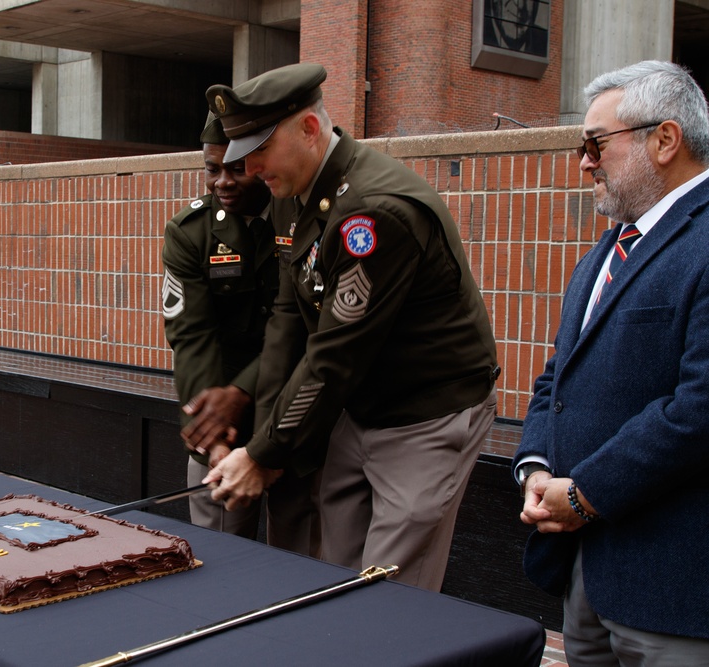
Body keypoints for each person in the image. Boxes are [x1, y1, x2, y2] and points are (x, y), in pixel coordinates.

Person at [202, 63, 499, 591]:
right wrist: (269, 447)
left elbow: (335, 354)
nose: (247, 167)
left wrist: (265, 452)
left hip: (423, 416)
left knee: (389, 590)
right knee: (332, 574)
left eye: (258, 150)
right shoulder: (291, 192)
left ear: (309, 130)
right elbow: (289, 321)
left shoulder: (373, 212)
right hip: (357, 407)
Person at [514, 60, 709, 664]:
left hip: (673, 589)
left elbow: (698, 407)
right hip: (586, 575)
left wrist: (587, 494)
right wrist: (537, 466)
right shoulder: (609, 248)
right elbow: (558, 377)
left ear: (665, 139)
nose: (584, 161)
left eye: (595, 143)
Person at [161, 112, 320, 555]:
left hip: (295, 404)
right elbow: (191, 336)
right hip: (221, 409)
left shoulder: (301, 219)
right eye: (212, 169)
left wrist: (243, 391)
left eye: (235, 168)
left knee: (299, 549)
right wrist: (209, 430)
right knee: (217, 550)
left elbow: (308, 329)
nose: (221, 182)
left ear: (261, 164)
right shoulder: (191, 232)